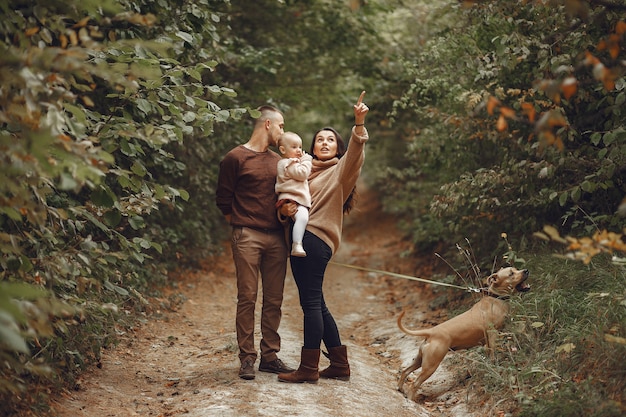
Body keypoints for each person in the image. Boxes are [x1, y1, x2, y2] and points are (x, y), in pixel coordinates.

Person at [277, 91, 369, 384]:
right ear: (312, 147)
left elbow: (355, 153)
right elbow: (287, 203)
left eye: (331, 139)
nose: (325, 143)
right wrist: (285, 211)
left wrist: (358, 124)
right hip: (306, 238)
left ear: (338, 148)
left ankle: (308, 368)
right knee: (318, 302)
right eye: (320, 139)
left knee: (311, 305)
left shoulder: (340, 171)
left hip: (314, 241)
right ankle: (339, 365)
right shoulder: (302, 173)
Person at [215, 105, 295, 380]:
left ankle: (270, 357)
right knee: (247, 297)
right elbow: (223, 199)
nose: (283, 131)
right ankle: (247, 358)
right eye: (282, 126)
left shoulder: (278, 161)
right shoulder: (234, 158)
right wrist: (241, 224)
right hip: (246, 235)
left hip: (277, 237)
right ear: (268, 125)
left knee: (274, 299)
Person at [275, 131, 313, 257]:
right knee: (302, 217)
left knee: (298, 220)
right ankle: (296, 244)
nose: (299, 150)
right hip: (291, 198)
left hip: (294, 198)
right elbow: (302, 174)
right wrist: (306, 161)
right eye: (294, 147)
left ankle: (292, 245)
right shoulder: (287, 163)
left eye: (300, 147)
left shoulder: (291, 162)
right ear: (282, 150)